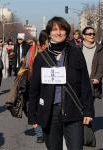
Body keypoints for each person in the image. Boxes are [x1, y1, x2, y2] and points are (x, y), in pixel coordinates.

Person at [28, 16, 94, 150]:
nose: (58, 33)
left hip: (74, 111)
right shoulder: (41, 58)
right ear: (49, 33)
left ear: (67, 32)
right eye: (54, 30)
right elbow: (34, 89)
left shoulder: (76, 53)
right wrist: (32, 117)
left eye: (62, 29)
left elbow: (85, 85)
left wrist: (88, 111)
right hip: (50, 114)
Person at [82, 26, 103, 99]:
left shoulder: (99, 49)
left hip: (93, 83)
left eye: (93, 34)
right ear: (84, 36)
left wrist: (97, 77)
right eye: (89, 34)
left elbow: (101, 65)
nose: (92, 35)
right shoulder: (77, 48)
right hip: (80, 83)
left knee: (89, 108)